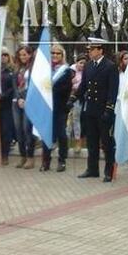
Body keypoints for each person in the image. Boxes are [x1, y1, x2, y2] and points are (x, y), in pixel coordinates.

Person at [76, 38, 118, 182]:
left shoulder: (110, 66)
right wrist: (73, 98)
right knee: (92, 141)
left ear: (100, 50)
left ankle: (109, 171)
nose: (90, 52)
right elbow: (83, 86)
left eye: (93, 49)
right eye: (89, 49)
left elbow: (113, 91)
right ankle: (92, 169)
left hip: (103, 110)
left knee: (106, 142)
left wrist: (109, 108)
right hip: (91, 109)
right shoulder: (88, 66)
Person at [40, 44, 74, 172]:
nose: (55, 55)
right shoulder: (45, 69)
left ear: (62, 55)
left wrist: (50, 89)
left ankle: (62, 161)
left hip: (60, 107)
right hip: (46, 107)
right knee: (46, 135)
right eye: (53, 53)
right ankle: (46, 161)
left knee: (61, 134)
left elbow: (66, 89)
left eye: (57, 53)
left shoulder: (66, 71)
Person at [13, 47, 35, 169]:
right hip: (17, 102)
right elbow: (14, 85)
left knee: (27, 129)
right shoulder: (17, 68)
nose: (23, 57)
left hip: (29, 101)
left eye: (25, 54)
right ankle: (22, 156)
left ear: (30, 55)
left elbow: (33, 86)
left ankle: (30, 157)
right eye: (20, 55)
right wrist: (19, 98)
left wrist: (25, 98)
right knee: (18, 130)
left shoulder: (33, 69)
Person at [67, 55, 87, 155]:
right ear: (76, 62)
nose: (82, 65)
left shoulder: (87, 72)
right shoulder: (70, 71)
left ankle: (78, 141)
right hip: (69, 97)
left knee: (76, 119)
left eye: (84, 63)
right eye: (80, 63)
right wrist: (71, 83)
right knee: (68, 120)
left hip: (80, 98)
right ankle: (65, 141)